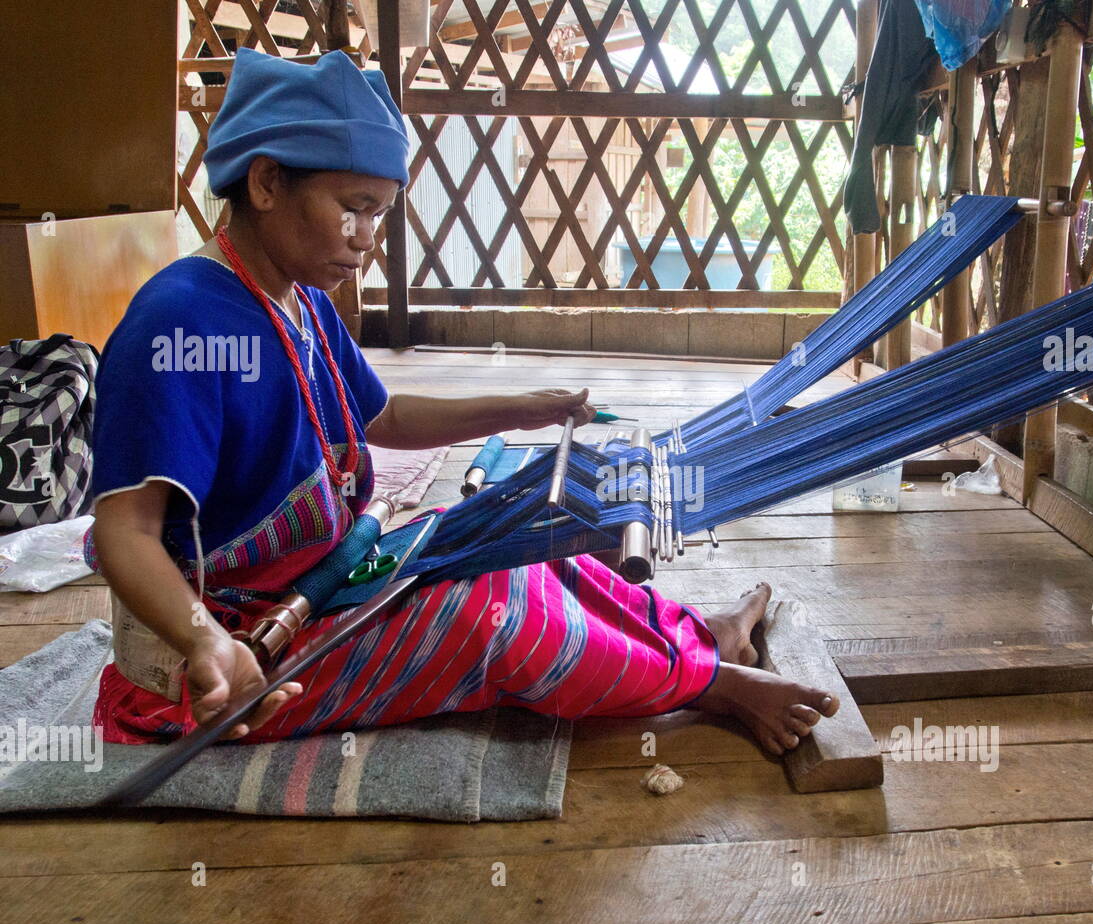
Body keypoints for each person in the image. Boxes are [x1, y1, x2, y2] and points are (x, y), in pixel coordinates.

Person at [87, 48, 837, 759]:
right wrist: (205, 644)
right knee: (491, 614)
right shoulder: (179, 322)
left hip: (323, 582)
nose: (369, 238)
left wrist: (521, 408)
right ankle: (710, 684)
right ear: (265, 183)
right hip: (230, 661)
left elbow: (383, 418)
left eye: (381, 213)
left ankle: (692, 633)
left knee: (512, 537)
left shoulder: (298, 301)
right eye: (356, 207)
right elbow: (125, 532)